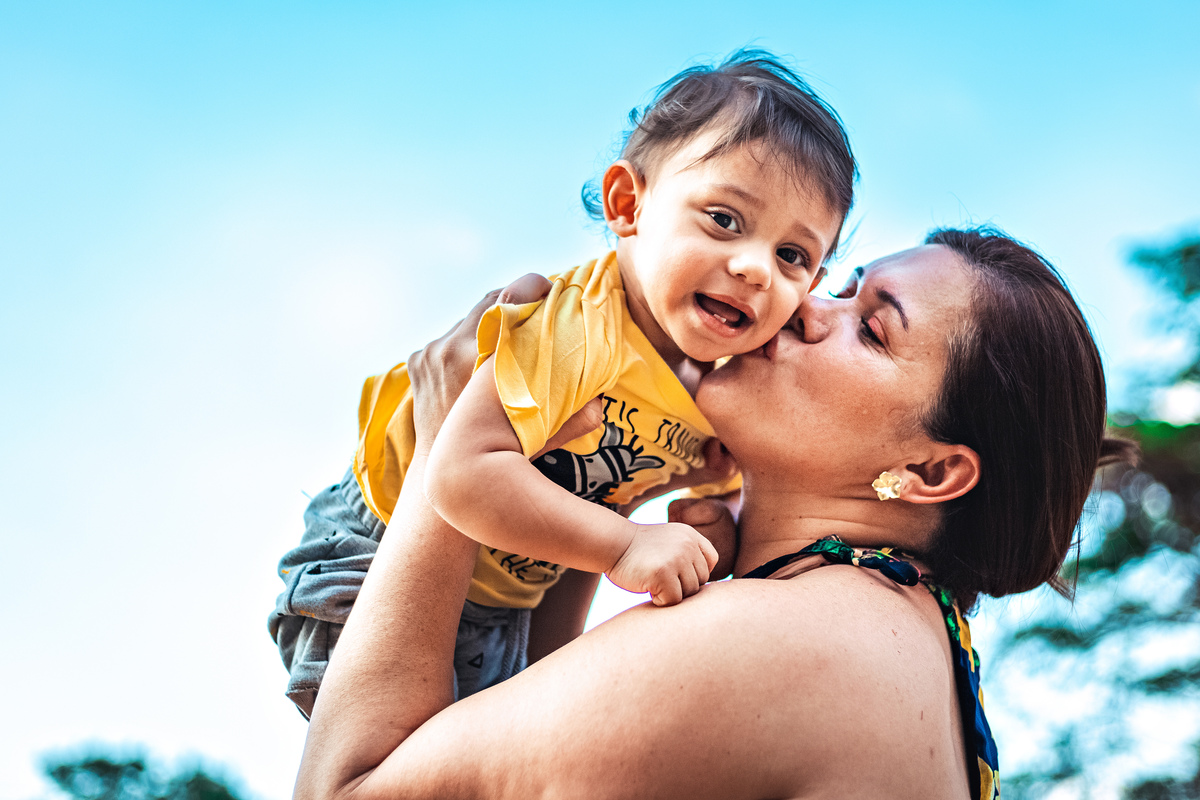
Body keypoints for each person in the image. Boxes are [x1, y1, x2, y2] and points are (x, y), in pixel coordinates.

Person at [291, 227, 1134, 799]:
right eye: (842, 285)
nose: (806, 304)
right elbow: (517, 730)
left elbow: (353, 789)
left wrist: (452, 461)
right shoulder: (886, 635)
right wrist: (585, 497)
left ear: (930, 470)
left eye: (871, 330)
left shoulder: (803, 642)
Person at [268, 49, 857, 716]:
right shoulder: (581, 327)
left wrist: (713, 526)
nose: (754, 268)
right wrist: (628, 543)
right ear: (628, 204)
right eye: (724, 220)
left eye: (792, 255)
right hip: (376, 553)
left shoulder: (719, 392)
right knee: (395, 766)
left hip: (504, 604)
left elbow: (720, 514)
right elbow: (459, 473)